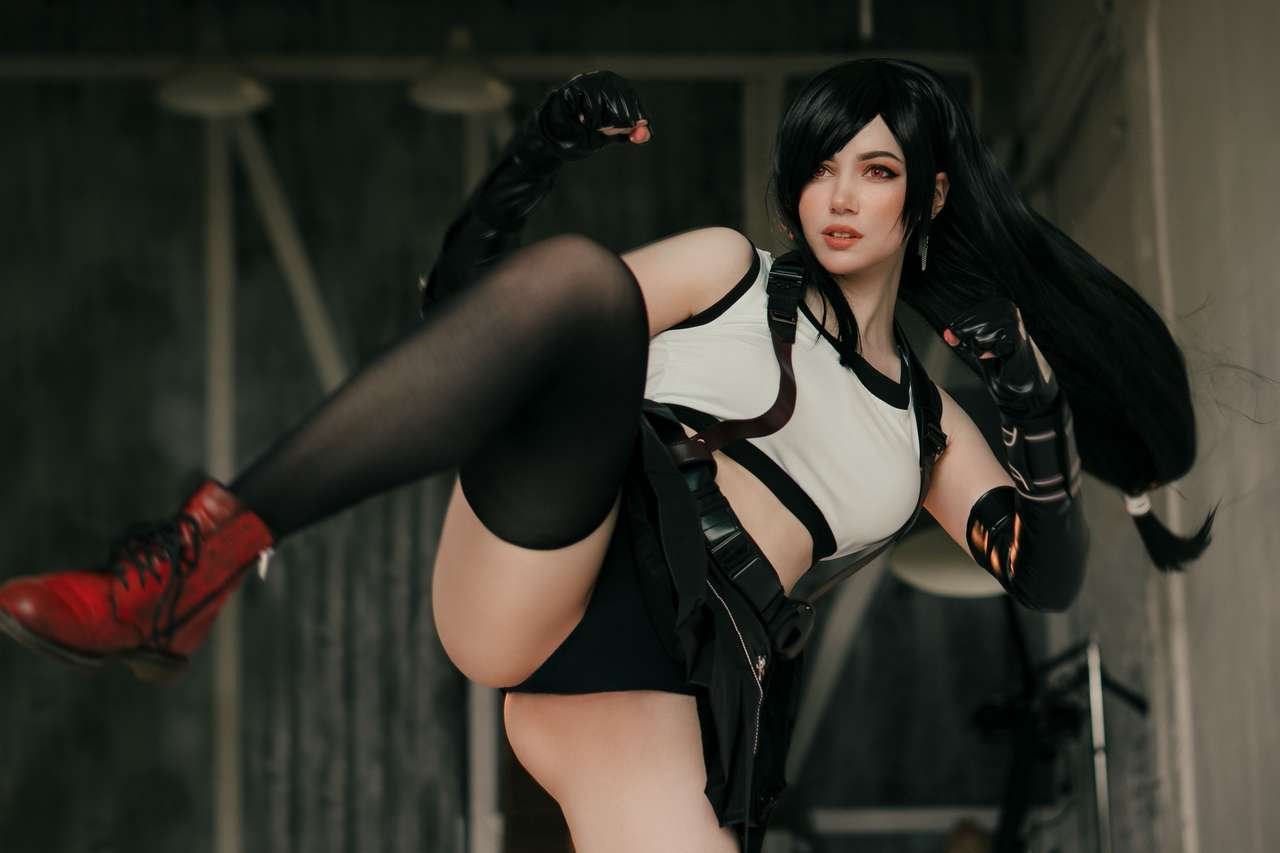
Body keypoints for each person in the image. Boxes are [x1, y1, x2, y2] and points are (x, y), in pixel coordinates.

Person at [0, 60, 1213, 852]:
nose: (839, 197)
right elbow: (475, 333)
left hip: (652, 678)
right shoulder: (727, 272)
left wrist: (1033, 411)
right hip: (556, 547)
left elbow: (1044, 572)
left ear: (928, 196)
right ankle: (193, 565)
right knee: (580, 288)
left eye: (877, 170)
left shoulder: (925, 430)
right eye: (821, 166)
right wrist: (531, 158)